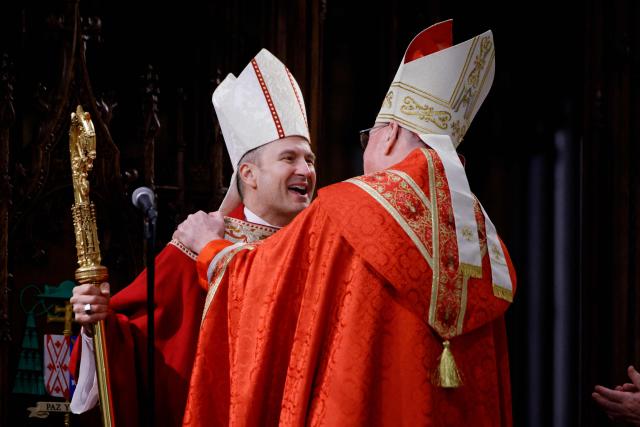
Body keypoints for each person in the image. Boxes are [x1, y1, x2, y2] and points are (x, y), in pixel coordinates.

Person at [177, 20, 517, 426]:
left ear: (389, 135)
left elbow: (263, 292)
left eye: (368, 137)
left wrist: (210, 248)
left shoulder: (351, 209)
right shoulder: (481, 240)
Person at [68, 48, 316, 427]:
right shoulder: (191, 249)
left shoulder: (325, 244)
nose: (306, 170)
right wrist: (94, 325)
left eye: (310, 160)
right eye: (289, 158)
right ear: (248, 174)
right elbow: (135, 348)